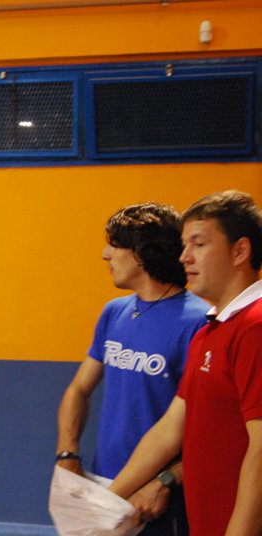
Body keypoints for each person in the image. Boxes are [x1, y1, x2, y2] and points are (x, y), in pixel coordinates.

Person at [110, 190, 262, 535]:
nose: (184, 257)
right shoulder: (209, 331)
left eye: (199, 244)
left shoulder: (255, 327)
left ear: (240, 251)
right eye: (183, 245)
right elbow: (170, 429)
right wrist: (105, 502)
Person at [56, 202, 209, 535]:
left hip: (157, 498)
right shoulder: (114, 312)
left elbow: (211, 429)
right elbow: (79, 389)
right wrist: (67, 452)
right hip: (103, 484)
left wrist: (166, 480)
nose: (105, 255)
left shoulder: (200, 322)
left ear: (141, 253)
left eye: (114, 245)